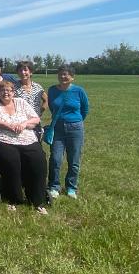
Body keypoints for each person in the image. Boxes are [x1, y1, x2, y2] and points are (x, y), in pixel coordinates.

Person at [0, 81, 48, 214]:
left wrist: (24, 124)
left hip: (26, 138)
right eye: (3, 90)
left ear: (13, 92)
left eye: (9, 90)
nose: (6, 93)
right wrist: (7, 125)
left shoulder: (21, 102)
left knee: (38, 160)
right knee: (11, 161)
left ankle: (37, 200)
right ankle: (14, 199)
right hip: (4, 138)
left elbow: (35, 119)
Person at [47, 65, 89, 200]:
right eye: (60, 74)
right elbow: (52, 107)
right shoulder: (52, 90)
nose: (63, 77)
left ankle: (71, 187)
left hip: (75, 128)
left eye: (66, 74)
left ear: (72, 77)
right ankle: (54, 186)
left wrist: (74, 120)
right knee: (55, 159)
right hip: (57, 128)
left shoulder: (79, 91)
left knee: (74, 159)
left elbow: (85, 109)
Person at [14, 60, 48, 129]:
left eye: (25, 70)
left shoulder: (37, 87)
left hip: (35, 121)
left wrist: (40, 112)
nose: (23, 72)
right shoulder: (14, 87)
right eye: (20, 70)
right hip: (20, 122)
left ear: (31, 72)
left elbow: (46, 100)